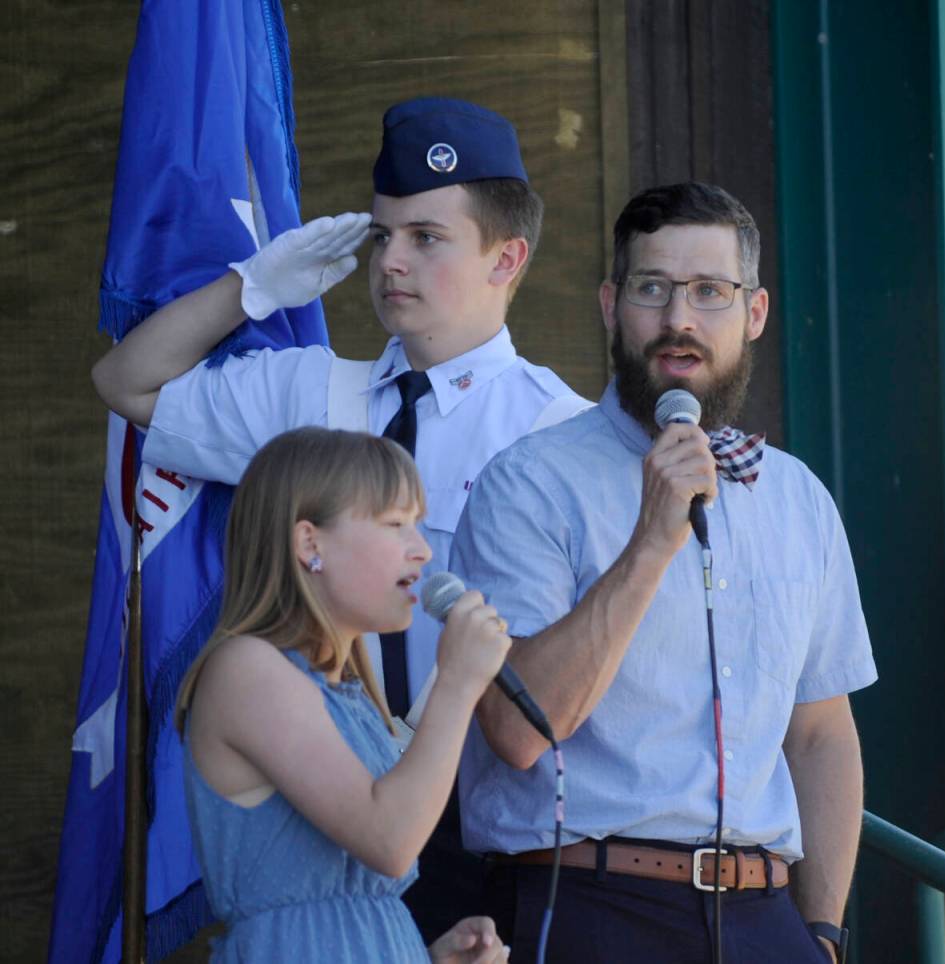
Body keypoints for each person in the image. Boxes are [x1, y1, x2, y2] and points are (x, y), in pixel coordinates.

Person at [92, 97, 590, 940]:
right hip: (326, 803)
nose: (391, 261)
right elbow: (124, 382)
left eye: (426, 238)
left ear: (507, 258)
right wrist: (250, 289)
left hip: (498, 823)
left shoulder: (562, 431)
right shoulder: (312, 392)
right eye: (382, 235)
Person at [449, 182, 878, 963]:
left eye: (710, 291)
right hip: (589, 901)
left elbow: (820, 734)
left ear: (755, 312)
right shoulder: (529, 484)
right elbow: (516, 730)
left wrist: (821, 933)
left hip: (767, 918)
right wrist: (650, 542)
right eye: (653, 288)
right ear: (611, 305)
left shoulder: (799, 499)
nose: (680, 318)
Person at [174, 426, 512, 962]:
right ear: (310, 544)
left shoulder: (346, 697)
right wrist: (456, 683)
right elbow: (390, 840)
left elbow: (344, 903)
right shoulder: (247, 671)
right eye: (395, 523)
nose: (423, 550)